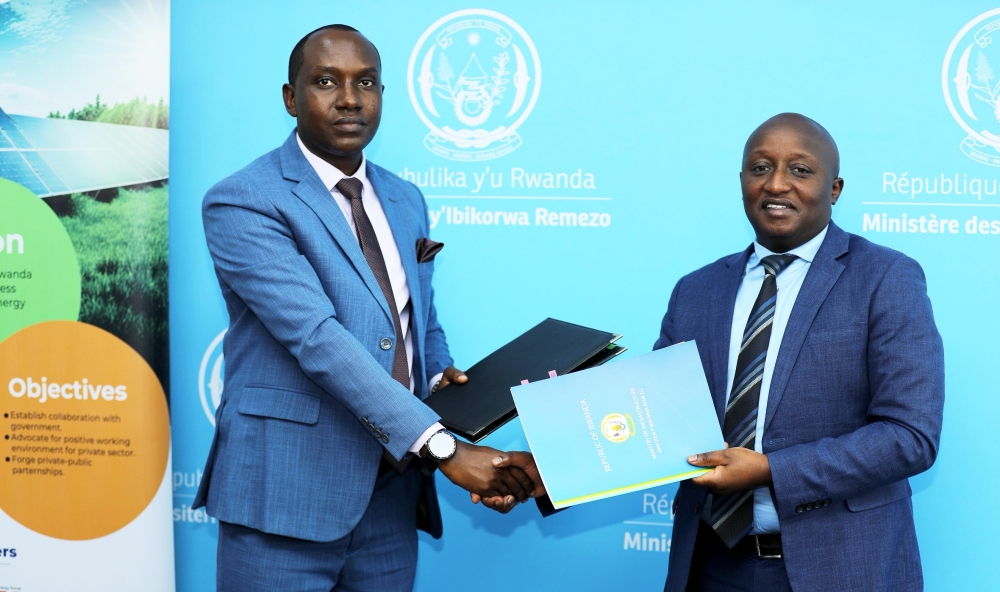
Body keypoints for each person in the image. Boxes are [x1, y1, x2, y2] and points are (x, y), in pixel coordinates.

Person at [193, 24, 542, 592]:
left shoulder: (405, 198)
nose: (350, 98)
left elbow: (418, 322)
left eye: (367, 82)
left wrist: (443, 385)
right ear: (290, 98)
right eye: (326, 81)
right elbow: (316, 337)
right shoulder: (244, 199)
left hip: (390, 495)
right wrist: (445, 446)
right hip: (284, 497)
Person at [654, 113, 944, 592]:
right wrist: (561, 447)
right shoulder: (696, 290)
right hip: (709, 566)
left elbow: (910, 435)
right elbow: (654, 416)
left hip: (840, 569)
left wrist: (770, 471)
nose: (777, 184)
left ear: (834, 189)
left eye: (801, 170)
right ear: (742, 180)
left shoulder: (885, 278)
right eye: (760, 167)